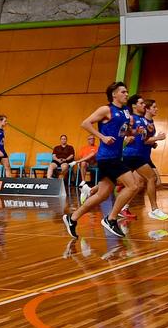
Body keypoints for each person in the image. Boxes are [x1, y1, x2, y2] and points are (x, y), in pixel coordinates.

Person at [61, 82, 142, 239]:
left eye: (126, 92)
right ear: (114, 95)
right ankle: (111, 219)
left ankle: (72, 218)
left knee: (102, 195)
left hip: (116, 156)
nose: (126, 94)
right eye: (123, 92)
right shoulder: (106, 109)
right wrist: (102, 137)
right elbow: (85, 123)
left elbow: (123, 131)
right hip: (107, 157)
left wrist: (134, 132)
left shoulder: (125, 111)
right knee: (133, 186)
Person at [120, 94, 168, 221]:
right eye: (153, 107)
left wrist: (153, 143)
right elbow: (128, 135)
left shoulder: (145, 121)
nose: (156, 109)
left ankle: (122, 207)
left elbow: (144, 139)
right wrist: (156, 138)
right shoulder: (133, 119)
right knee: (151, 179)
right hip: (133, 154)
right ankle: (154, 209)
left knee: (140, 183)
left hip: (142, 155)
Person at [73, 134, 98, 199]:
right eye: (90, 139)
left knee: (86, 160)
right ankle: (83, 181)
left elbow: (94, 156)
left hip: (93, 163)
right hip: (85, 163)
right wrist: (81, 161)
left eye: (93, 139)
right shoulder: (84, 148)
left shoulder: (97, 148)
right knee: (83, 163)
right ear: (88, 140)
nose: (92, 140)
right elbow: (80, 157)